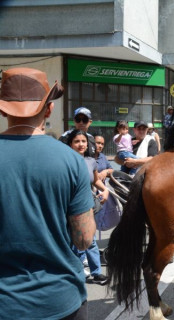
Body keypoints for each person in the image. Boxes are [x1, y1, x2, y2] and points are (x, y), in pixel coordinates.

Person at [0, 67, 96, 319]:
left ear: (2, 109)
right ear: (49, 108)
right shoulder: (71, 160)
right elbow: (84, 239)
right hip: (60, 298)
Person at [67, 129, 109, 285]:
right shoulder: (65, 160)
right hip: (69, 207)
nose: (80, 144)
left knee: (89, 239)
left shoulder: (91, 161)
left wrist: (105, 190)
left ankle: (96, 273)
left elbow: (95, 180)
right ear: (70, 144)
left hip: (87, 206)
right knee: (73, 241)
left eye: (83, 141)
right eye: (76, 141)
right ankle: (79, 272)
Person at [94, 134, 122, 232]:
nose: (100, 146)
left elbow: (111, 169)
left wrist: (105, 172)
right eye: (98, 143)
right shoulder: (87, 157)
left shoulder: (102, 157)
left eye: (102, 144)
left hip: (103, 191)